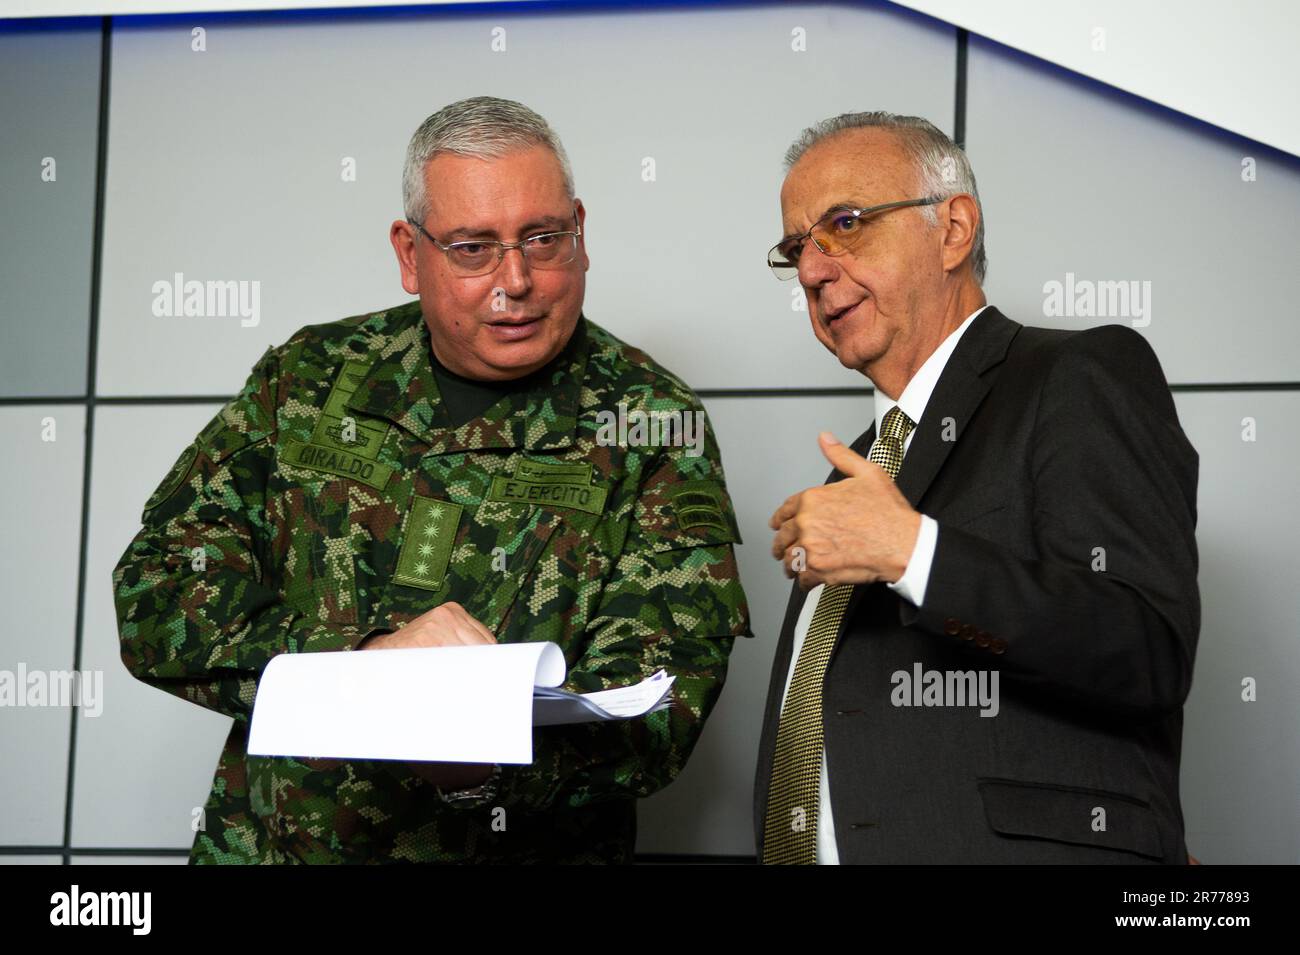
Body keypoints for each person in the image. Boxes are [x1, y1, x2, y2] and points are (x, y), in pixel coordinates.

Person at [114, 95, 751, 864]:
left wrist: (478, 767)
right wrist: (360, 660)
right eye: (473, 248)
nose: (516, 280)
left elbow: (661, 710)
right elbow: (156, 596)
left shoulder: (652, 421)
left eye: (544, 239)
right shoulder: (309, 380)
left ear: (581, 231)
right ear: (410, 254)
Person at [754, 112, 1199, 864]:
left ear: (953, 228)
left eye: (847, 224)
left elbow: (1146, 648)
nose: (812, 270)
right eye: (798, 247)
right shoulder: (862, 466)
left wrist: (913, 552)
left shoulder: (1077, 376)